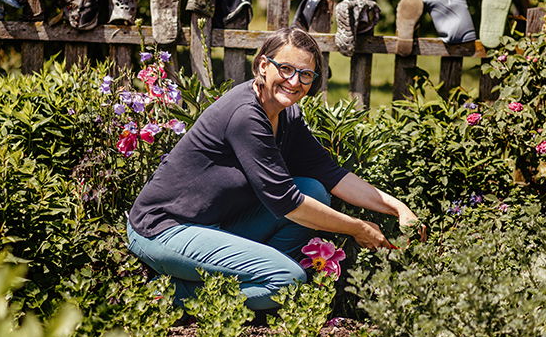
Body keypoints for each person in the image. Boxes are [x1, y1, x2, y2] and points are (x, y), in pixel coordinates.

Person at [126, 26, 418, 310]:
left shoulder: (286, 114)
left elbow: (330, 173)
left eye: (305, 75)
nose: (294, 82)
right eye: (286, 69)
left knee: (313, 189)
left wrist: (397, 207)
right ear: (263, 65)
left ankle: (252, 277)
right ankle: (167, 293)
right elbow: (287, 203)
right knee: (287, 282)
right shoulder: (245, 115)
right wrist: (359, 228)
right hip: (165, 229)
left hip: (214, 224)